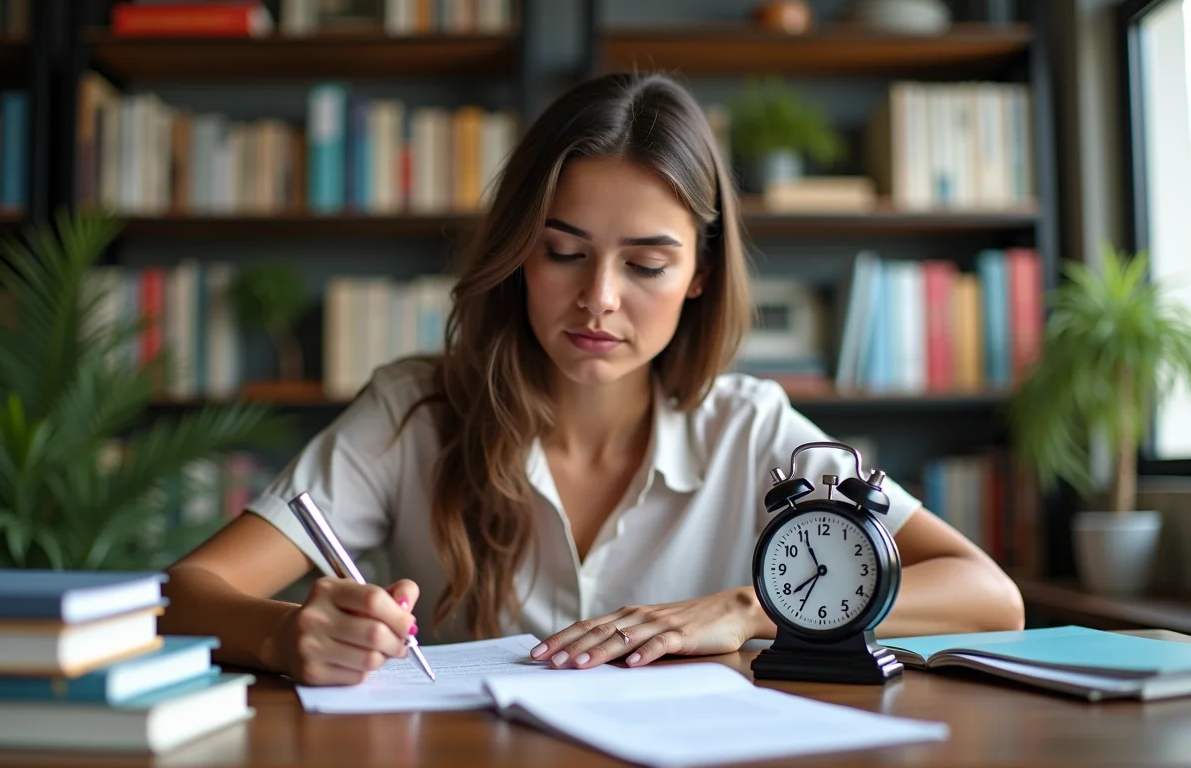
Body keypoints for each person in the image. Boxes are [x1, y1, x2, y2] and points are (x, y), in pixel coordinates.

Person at [158, 72, 1025, 686]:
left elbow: (990, 597)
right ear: (515, 256)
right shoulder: (415, 410)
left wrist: (753, 609)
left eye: (646, 264)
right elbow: (184, 596)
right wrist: (285, 634)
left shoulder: (754, 430)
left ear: (698, 275)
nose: (598, 300)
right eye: (562, 252)